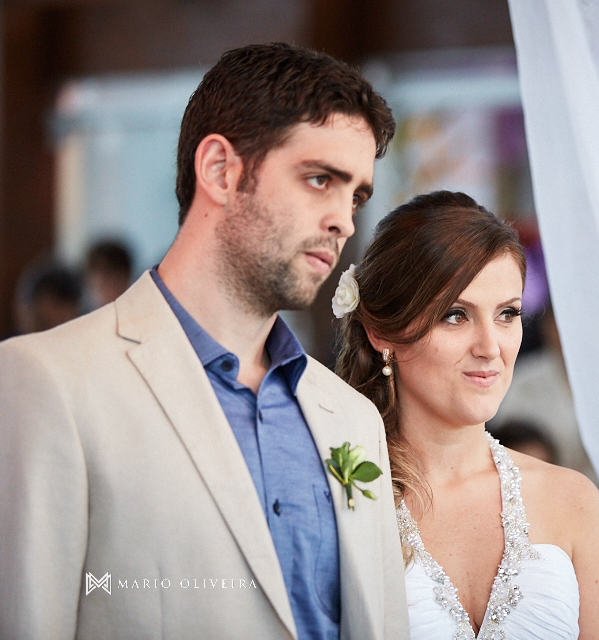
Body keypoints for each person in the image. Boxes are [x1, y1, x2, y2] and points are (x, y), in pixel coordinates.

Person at [0, 43, 407, 640]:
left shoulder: (351, 417)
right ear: (220, 170)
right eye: (321, 179)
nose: (344, 219)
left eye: (356, 196)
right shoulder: (47, 381)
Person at [335, 190, 599, 639]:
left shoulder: (574, 502)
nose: (490, 348)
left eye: (507, 313)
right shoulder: (343, 497)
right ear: (382, 332)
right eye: (456, 315)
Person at [83, 238, 133, 309]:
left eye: (117, 280)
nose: (111, 289)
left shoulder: (140, 314)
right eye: (106, 279)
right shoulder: (78, 316)